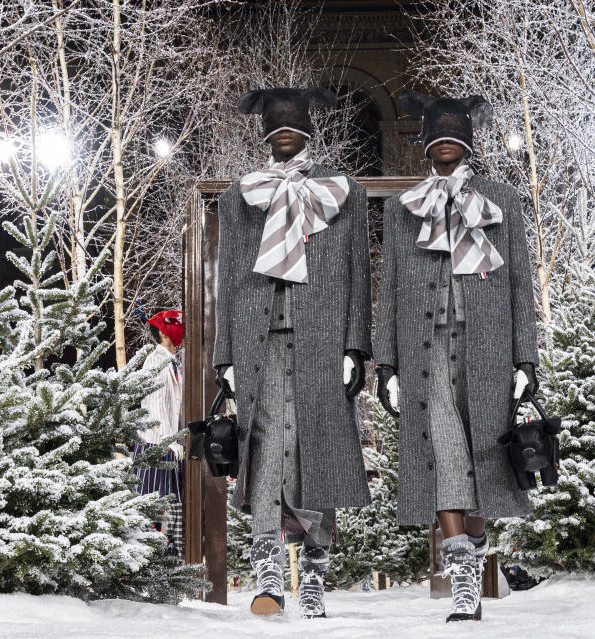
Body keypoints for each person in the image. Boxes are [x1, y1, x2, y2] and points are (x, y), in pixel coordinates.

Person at [374, 89, 539, 622]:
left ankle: (477, 543)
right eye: (436, 135)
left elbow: (520, 285)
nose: (445, 143)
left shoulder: (502, 200)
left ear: (467, 142)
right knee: (444, 456)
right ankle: (462, 578)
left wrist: (526, 359)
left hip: (488, 346)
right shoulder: (406, 208)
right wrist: (387, 362)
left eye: (455, 134)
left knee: (485, 458)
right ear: (425, 144)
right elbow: (390, 284)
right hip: (426, 349)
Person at [214, 87, 371, 618]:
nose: (284, 133)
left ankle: (316, 575)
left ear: (308, 131)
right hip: (259, 339)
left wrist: (356, 345)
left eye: (293, 125)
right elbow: (227, 276)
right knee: (262, 453)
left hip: (323, 339)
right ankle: (268, 571)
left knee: (318, 452)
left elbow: (357, 274)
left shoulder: (340, 191)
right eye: (275, 125)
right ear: (264, 134)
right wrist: (225, 355)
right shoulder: (241, 194)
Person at [133, 310, 185, 557]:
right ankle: (150, 555)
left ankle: (166, 553)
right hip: (155, 445)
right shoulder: (155, 361)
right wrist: (168, 439)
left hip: (167, 446)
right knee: (154, 502)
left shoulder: (172, 362)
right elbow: (154, 405)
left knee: (170, 504)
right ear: (164, 333)